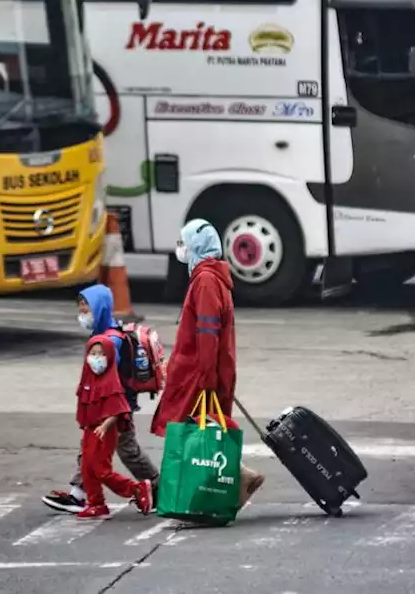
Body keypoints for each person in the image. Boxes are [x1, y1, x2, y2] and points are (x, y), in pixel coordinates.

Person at [151, 218, 265, 507]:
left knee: (188, 432)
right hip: (205, 367)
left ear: (197, 245)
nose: (181, 247)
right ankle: (234, 479)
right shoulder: (214, 277)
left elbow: (207, 331)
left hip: (197, 370)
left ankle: (187, 494)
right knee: (203, 430)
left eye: (184, 241)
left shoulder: (204, 281)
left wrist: (205, 373)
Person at [42, 284, 159, 514]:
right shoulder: (104, 334)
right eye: (81, 306)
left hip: (114, 407)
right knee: (94, 449)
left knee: (123, 451)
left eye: (87, 307)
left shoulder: (109, 340)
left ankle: (154, 488)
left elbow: (106, 380)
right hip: (108, 405)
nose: (83, 312)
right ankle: (81, 494)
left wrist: (108, 415)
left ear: (100, 307)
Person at [74, 339, 155, 520]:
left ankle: (135, 488)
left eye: (102, 354)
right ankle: (96, 504)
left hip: (105, 430)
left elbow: (118, 409)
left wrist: (105, 426)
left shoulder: (111, 382)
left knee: (101, 469)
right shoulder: (87, 379)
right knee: (87, 468)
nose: (97, 358)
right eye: (93, 354)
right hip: (90, 429)